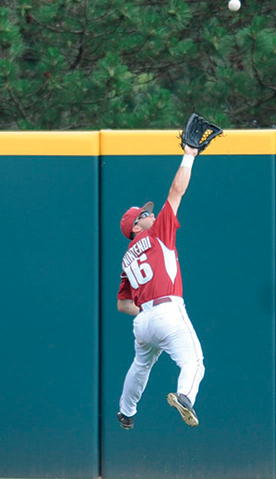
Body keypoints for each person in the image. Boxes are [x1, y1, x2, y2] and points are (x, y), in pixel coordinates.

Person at [116, 144, 205, 430]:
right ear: (136, 227)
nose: (149, 214)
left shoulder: (126, 257)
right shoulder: (156, 234)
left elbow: (122, 305)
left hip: (144, 322)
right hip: (167, 311)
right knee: (195, 361)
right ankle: (186, 397)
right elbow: (176, 192)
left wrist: (147, 309)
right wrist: (189, 155)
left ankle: (126, 412)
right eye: (143, 214)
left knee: (140, 366)